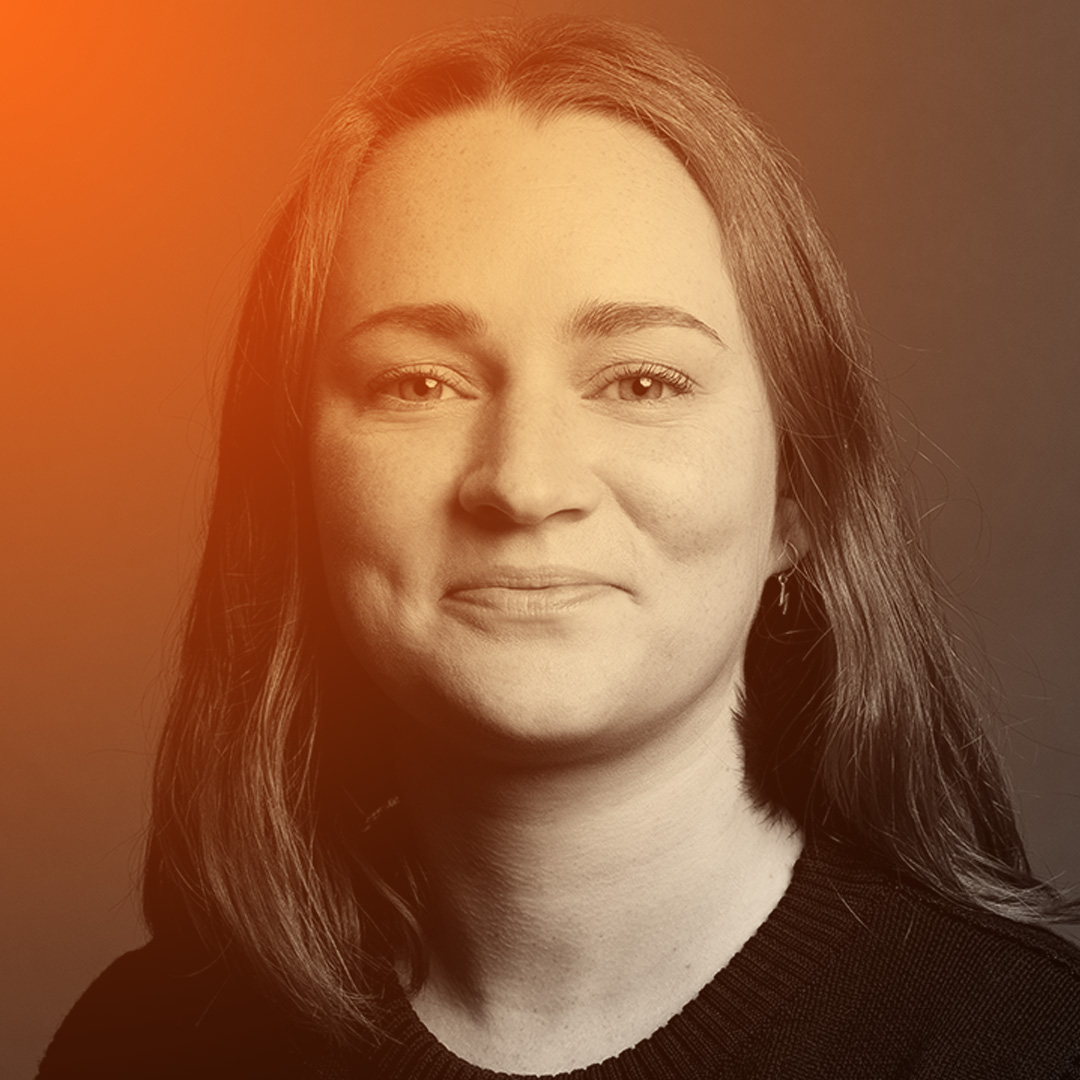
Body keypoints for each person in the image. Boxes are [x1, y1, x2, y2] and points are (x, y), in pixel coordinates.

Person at [37, 14, 1080, 1079]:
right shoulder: (139, 1045)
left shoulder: (1030, 1050)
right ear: (297, 481)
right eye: (419, 384)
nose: (524, 484)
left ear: (798, 495)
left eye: (642, 381)